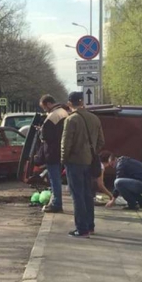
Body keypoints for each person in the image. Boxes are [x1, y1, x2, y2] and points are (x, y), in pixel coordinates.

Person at [61, 92, 105, 238]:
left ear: (69, 104)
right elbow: (101, 142)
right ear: (82, 102)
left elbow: (66, 143)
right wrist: (92, 153)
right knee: (87, 195)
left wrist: (63, 159)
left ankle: (81, 229)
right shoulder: (94, 118)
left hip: (74, 161)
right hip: (89, 161)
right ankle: (90, 226)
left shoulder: (71, 119)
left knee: (77, 195)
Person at [38, 94, 69, 213]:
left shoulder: (52, 117)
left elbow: (46, 136)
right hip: (61, 150)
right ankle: (56, 201)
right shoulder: (63, 112)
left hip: (52, 152)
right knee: (58, 178)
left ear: (49, 104)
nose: (44, 110)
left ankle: (56, 203)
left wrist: (40, 131)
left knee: (54, 178)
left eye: (44, 107)